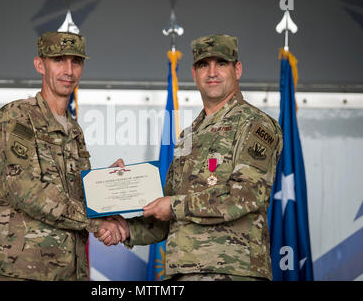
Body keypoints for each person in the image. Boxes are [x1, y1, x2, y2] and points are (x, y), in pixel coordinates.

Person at [98, 34, 283, 281]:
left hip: (230, 271)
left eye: (221, 63)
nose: (212, 72)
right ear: (194, 73)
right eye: (204, 65)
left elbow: (247, 194)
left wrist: (173, 207)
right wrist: (125, 228)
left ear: (237, 70)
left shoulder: (255, 125)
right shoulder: (189, 135)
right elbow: (165, 212)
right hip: (181, 272)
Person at [0, 31, 126, 281]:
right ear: (40, 65)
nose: (68, 70)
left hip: (69, 272)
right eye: (59, 60)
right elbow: (26, 191)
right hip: (20, 271)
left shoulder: (73, 129)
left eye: (76, 62)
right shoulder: (17, 117)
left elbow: (71, 194)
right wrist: (95, 224)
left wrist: (105, 183)